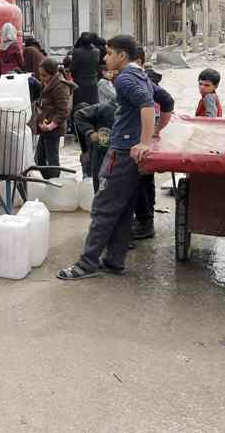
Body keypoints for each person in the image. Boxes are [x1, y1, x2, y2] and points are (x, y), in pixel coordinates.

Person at [57, 35, 166, 280]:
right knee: (124, 209)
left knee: (103, 209)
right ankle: (114, 261)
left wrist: (145, 142)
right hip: (130, 154)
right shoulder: (141, 75)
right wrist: (155, 132)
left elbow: (148, 105)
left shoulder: (126, 77)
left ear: (122, 56)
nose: (104, 58)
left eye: (108, 53)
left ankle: (86, 264)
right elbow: (165, 102)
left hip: (122, 152)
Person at [132, 46, 174, 241]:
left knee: (139, 180)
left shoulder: (138, 81)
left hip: (137, 142)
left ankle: (144, 222)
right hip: (137, 140)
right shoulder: (137, 79)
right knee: (143, 180)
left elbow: (165, 101)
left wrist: (153, 132)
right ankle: (144, 219)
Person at [32, 57, 75, 179]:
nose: (42, 78)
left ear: (53, 73)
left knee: (52, 160)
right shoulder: (48, 81)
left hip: (53, 128)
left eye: (44, 75)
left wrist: (50, 126)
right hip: (45, 126)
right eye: (40, 75)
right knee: (39, 159)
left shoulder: (60, 86)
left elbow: (64, 111)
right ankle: (49, 181)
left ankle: (54, 184)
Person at [66, 32, 102, 109]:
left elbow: (73, 68)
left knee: (79, 107)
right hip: (93, 82)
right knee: (92, 106)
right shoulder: (97, 51)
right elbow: (97, 66)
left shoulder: (77, 52)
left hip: (79, 83)